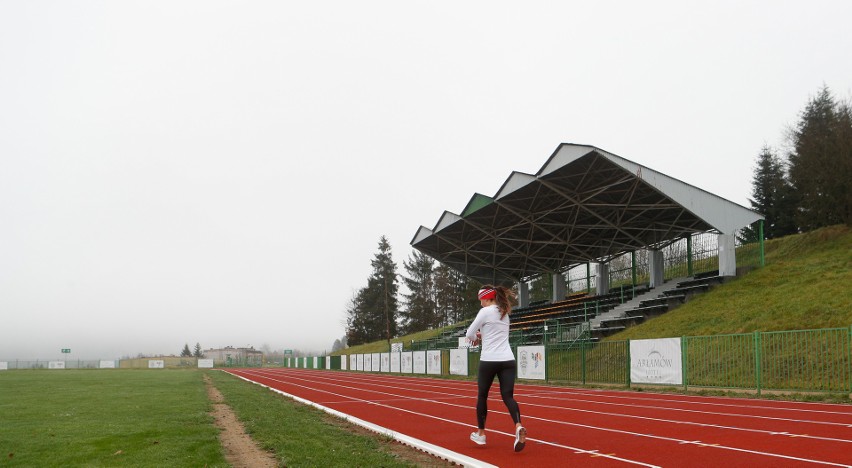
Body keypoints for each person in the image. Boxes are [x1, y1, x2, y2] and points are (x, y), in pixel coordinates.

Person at [465, 285, 526, 452]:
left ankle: (481, 434)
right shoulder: (504, 312)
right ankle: (518, 425)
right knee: (508, 396)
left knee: (482, 396)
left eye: (481, 300)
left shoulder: (485, 312)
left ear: (486, 298)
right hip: (508, 359)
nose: (480, 304)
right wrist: (482, 335)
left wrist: (476, 339)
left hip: (489, 359)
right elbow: (496, 333)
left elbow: (469, 333)